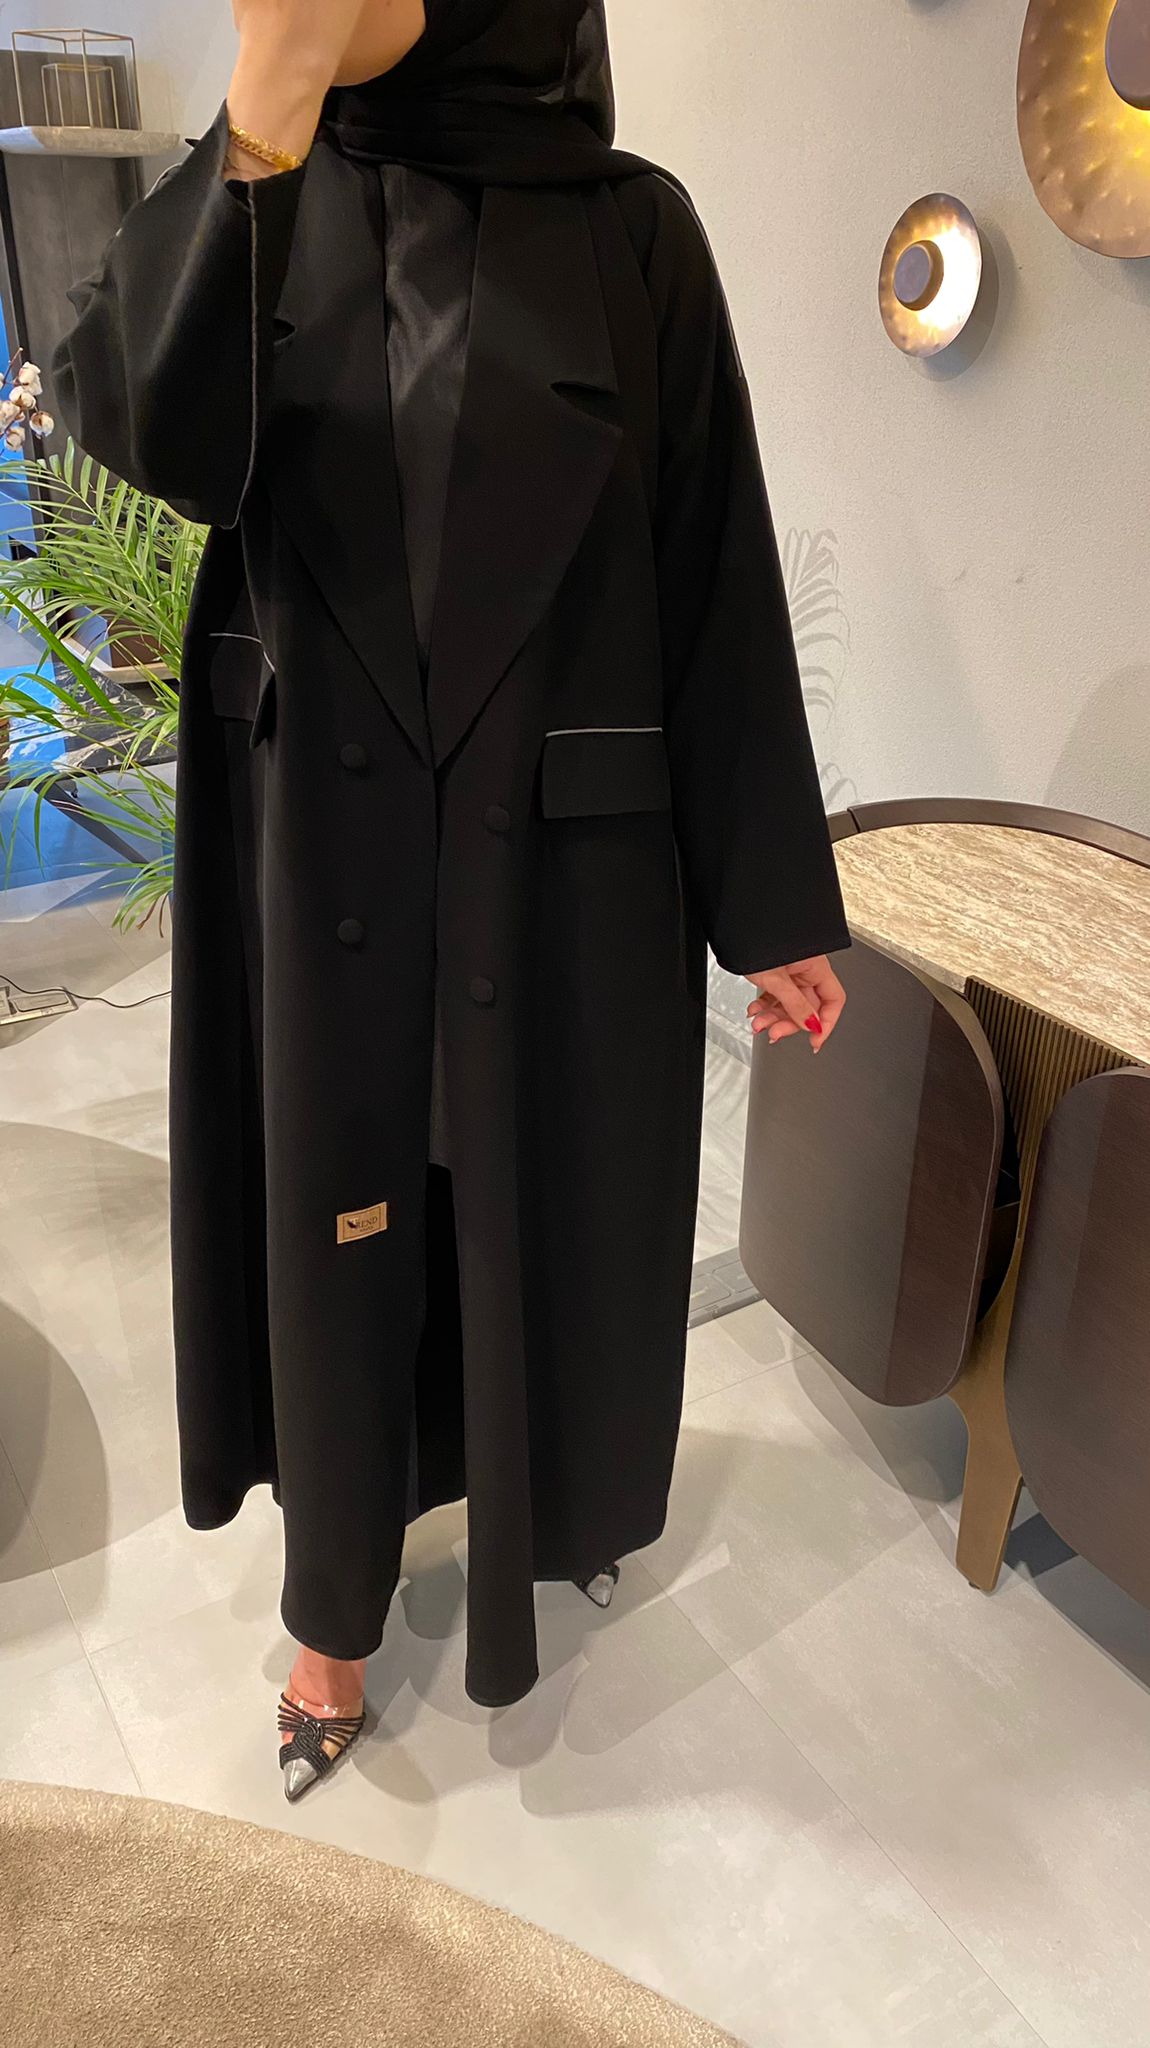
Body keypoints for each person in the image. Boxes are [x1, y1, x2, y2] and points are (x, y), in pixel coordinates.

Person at [54, 0, 849, 1801]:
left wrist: (772, 903)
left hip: (561, 849)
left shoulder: (630, 228)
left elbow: (712, 566)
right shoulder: (261, 186)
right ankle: (331, 1608)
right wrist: (264, 109)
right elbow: (141, 428)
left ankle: (543, 1515)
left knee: (535, 1207)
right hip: (314, 832)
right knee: (337, 1219)